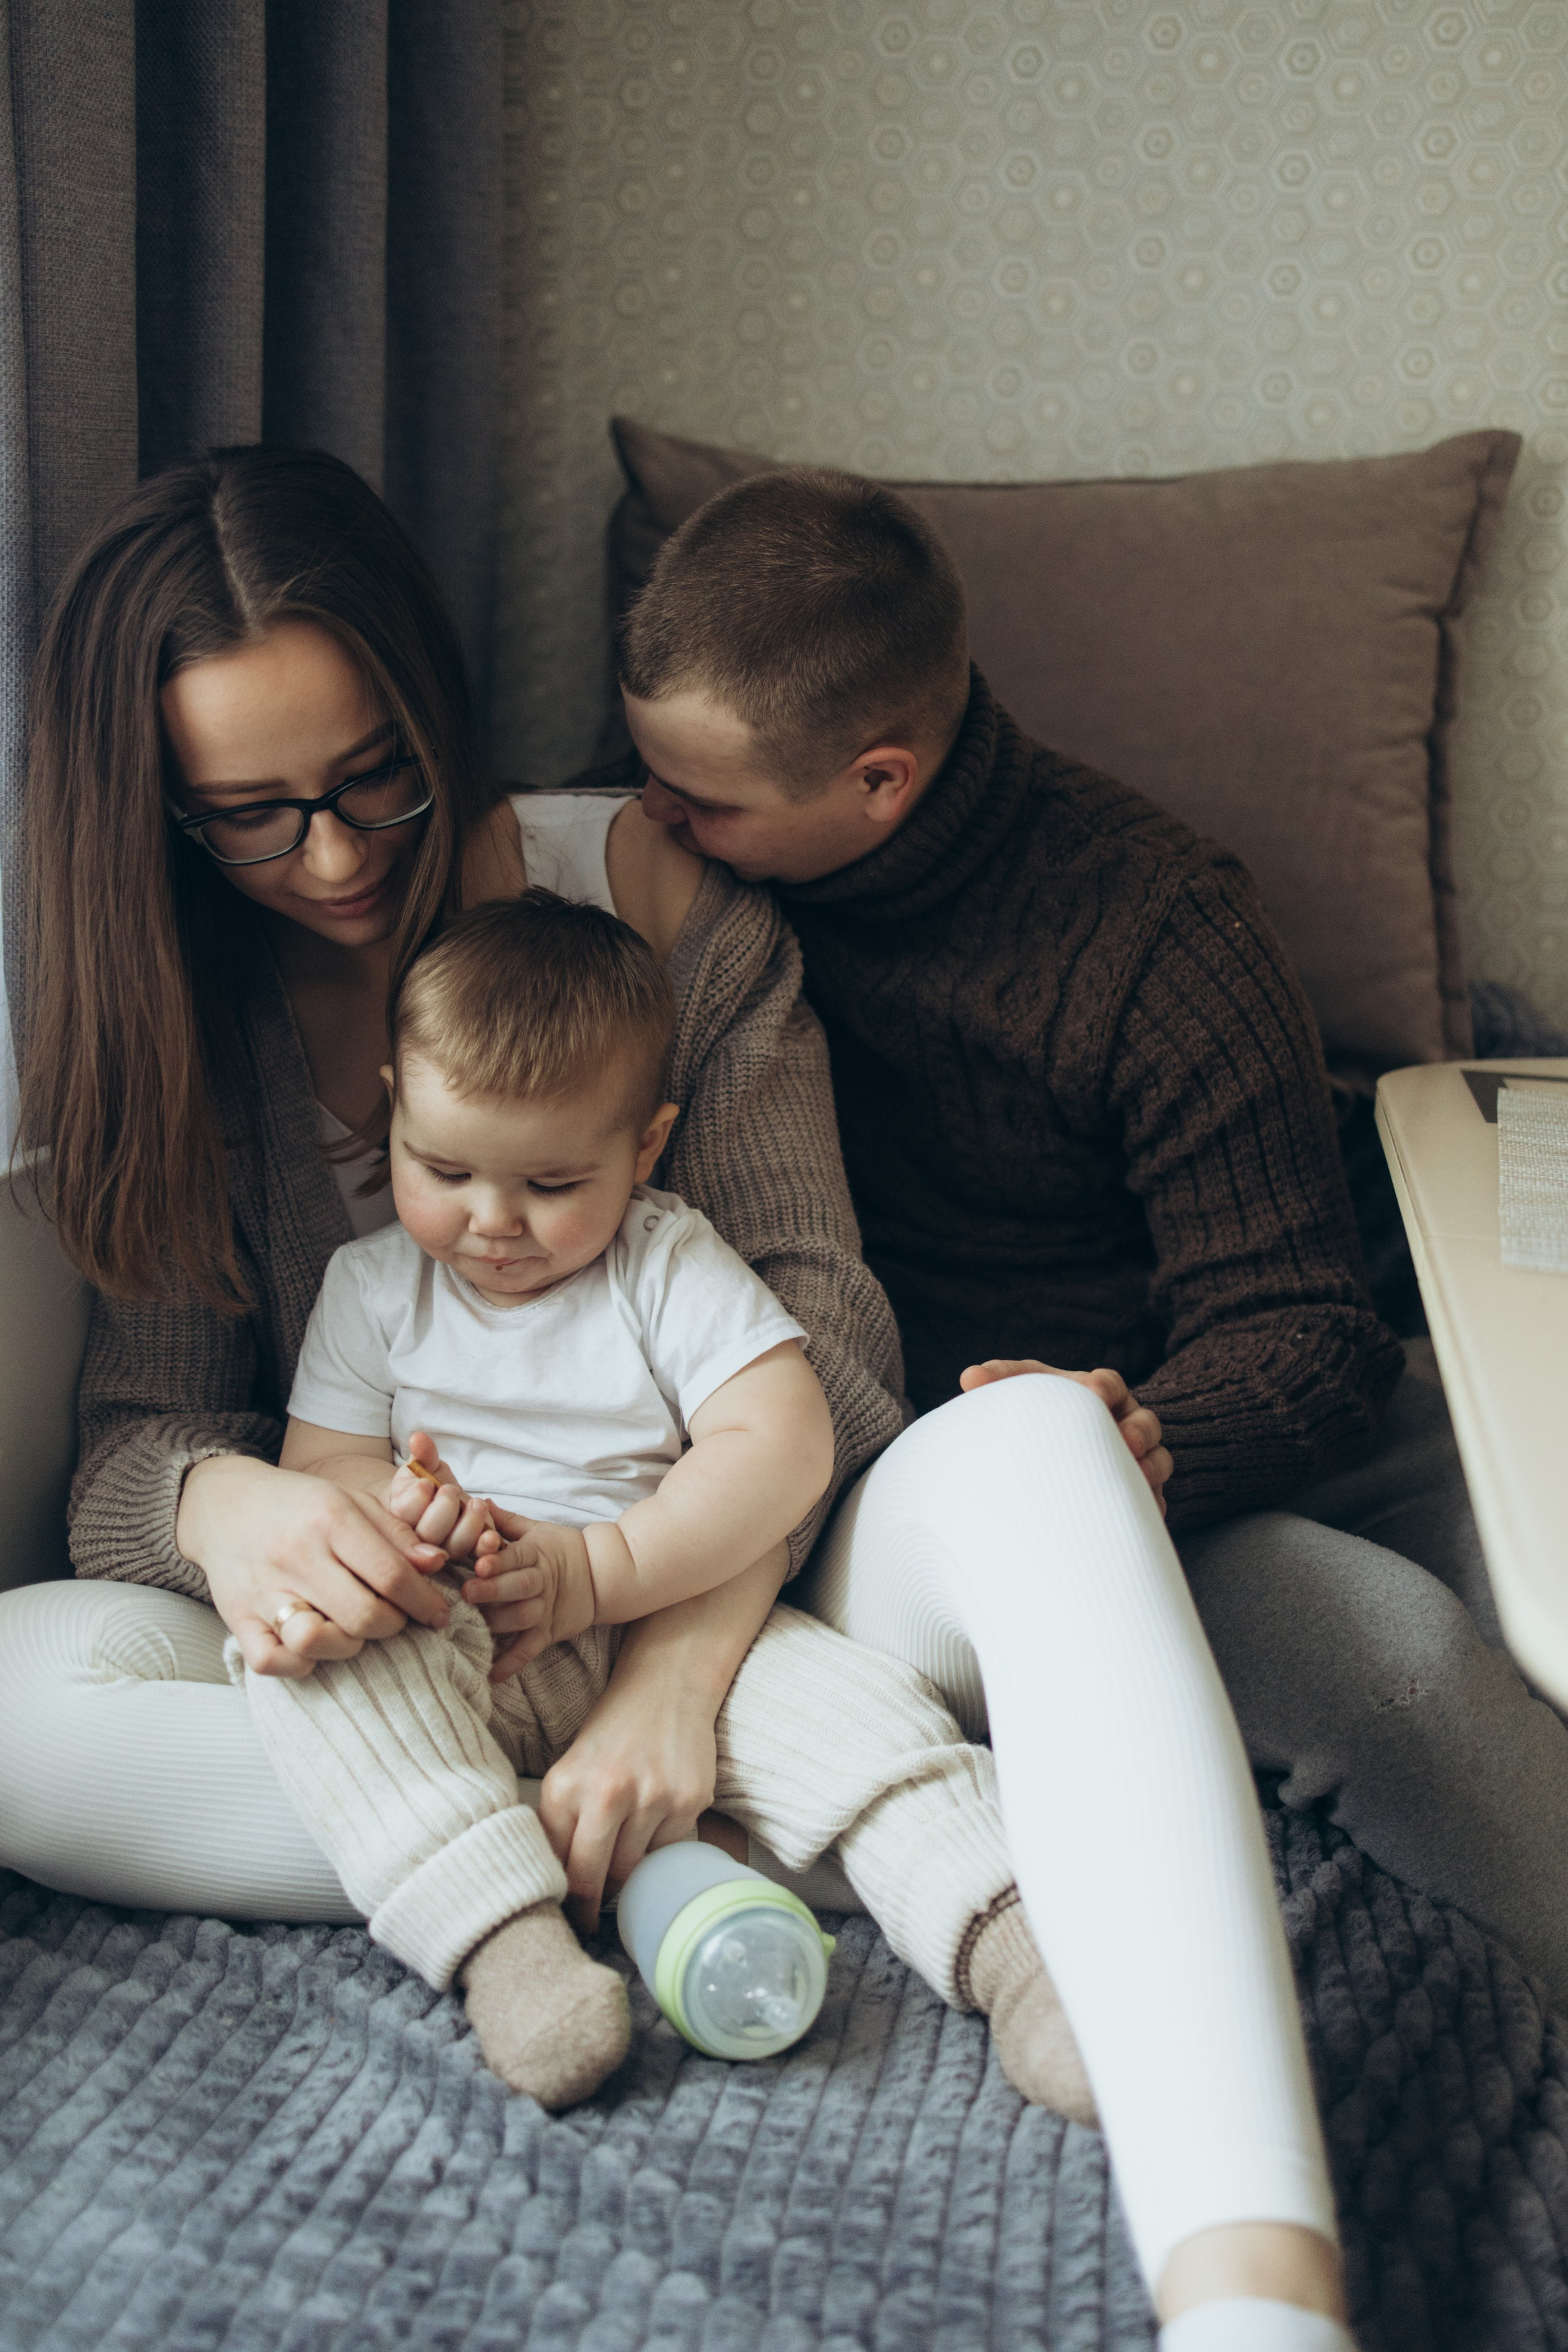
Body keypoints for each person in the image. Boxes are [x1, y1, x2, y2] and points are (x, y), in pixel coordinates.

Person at [0, 445, 1350, 2352]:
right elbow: (133, 1456)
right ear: (155, 808)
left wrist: (661, 1674)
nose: (337, 858)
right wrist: (247, 1513)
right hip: (447, 1647)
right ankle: (689, 1855)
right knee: (19, 1696)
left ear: (431, 709)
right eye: (249, 816)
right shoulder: (174, 1014)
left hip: (763, 1567)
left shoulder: (645, 895)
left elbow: (826, 1344)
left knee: (1047, 1442)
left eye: (377, 777)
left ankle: (1252, 2277)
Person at [258, 886, 1068, 2114]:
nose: (492, 1223)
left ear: (642, 1150)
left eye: (550, 1183)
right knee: (312, 1665)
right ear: (393, 1111)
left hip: (664, 1620)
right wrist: (405, 1514)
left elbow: (782, 1439)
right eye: (442, 1169)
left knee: (861, 1721)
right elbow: (319, 1467)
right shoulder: (369, 1289)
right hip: (457, 1631)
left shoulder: (664, 1259)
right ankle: (505, 1942)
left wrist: (601, 1570)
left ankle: (1019, 1948)